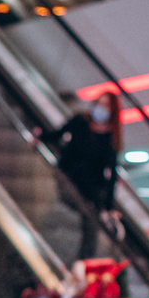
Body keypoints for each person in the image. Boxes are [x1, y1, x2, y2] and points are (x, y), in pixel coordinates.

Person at [53, 91, 121, 259]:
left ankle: (84, 263)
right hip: (68, 177)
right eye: (100, 103)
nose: (101, 108)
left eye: (106, 105)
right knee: (90, 215)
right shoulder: (80, 122)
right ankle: (83, 265)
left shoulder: (110, 139)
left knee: (91, 222)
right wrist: (40, 136)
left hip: (89, 188)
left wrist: (109, 206)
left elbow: (111, 174)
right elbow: (57, 134)